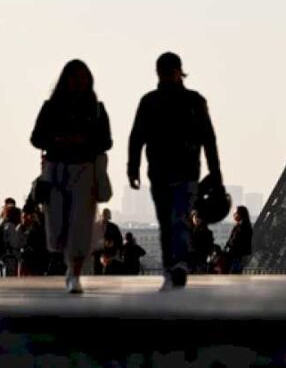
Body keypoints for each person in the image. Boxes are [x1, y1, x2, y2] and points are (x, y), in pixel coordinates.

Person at [128, 52, 223, 291]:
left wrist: (134, 167)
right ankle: (176, 264)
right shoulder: (194, 101)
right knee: (177, 219)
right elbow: (208, 140)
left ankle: (173, 266)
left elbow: (137, 137)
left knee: (169, 221)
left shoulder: (149, 102)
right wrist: (215, 173)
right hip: (186, 169)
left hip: (161, 171)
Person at [30, 59, 113, 294]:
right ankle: (69, 261)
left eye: (82, 77)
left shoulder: (97, 109)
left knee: (81, 223)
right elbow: (36, 138)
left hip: (84, 169)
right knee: (57, 226)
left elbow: (106, 141)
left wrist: (84, 141)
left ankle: (74, 272)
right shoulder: (51, 108)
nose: (78, 82)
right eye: (74, 77)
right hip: (56, 169)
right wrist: (57, 140)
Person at [222, 206, 253, 274]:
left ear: (241, 214)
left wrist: (227, 249)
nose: (233, 215)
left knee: (234, 273)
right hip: (238, 255)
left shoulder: (242, 227)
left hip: (237, 255)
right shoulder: (244, 225)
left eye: (235, 213)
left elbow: (235, 241)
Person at [93, 208, 122, 275]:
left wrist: (113, 243)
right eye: (104, 215)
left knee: (109, 272)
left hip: (109, 254)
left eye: (106, 215)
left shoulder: (113, 227)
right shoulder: (96, 226)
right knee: (97, 272)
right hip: (98, 253)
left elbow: (119, 240)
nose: (105, 217)